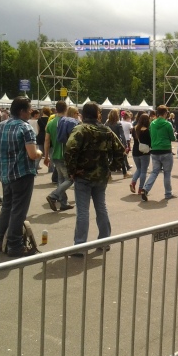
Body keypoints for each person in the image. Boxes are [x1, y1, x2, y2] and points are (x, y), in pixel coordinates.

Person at [64, 102, 125, 252]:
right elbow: (120, 150)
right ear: (98, 114)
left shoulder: (80, 130)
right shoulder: (107, 130)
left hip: (83, 176)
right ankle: (104, 242)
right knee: (101, 208)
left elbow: (69, 149)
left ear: (83, 114)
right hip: (101, 176)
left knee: (83, 212)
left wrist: (73, 170)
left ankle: (80, 246)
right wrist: (112, 167)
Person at [0, 96, 42, 257]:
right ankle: (14, 245)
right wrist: (41, 153)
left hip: (5, 174)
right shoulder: (25, 128)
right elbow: (33, 154)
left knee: (7, 206)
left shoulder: (0, 126)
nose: (31, 112)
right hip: (22, 174)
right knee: (18, 211)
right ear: (22, 111)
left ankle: (0, 240)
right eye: (29, 110)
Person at [44, 100, 75, 212]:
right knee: (70, 179)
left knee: (61, 179)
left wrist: (46, 156)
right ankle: (53, 196)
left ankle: (63, 203)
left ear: (56, 109)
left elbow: (47, 141)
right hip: (64, 154)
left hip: (54, 154)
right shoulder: (67, 122)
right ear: (66, 109)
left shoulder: (50, 123)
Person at [141, 105, 177, 201]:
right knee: (167, 173)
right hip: (165, 150)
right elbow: (172, 138)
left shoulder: (152, 124)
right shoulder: (168, 124)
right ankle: (168, 193)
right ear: (165, 113)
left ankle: (145, 188)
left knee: (154, 171)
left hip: (155, 150)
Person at [130, 113, 151, 194]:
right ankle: (140, 188)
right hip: (144, 152)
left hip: (135, 151)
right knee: (143, 171)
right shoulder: (146, 130)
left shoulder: (134, 129)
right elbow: (149, 142)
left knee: (139, 168)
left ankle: (133, 182)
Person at [105, 108, 129, 178]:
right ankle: (125, 173)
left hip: (108, 143)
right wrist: (125, 144)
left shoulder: (106, 124)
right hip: (117, 143)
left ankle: (109, 175)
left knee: (109, 158)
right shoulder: (118, 124)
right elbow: (122, 135)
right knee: (121, 157)